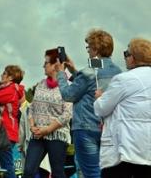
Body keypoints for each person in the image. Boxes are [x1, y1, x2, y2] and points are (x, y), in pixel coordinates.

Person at [55, 29, 122, 178]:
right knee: (107, 172)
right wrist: (74, 71)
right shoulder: (117, 71)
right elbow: (92, 81)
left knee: (91, 173)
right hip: (109, 128)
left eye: (89, 48)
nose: (88, 51)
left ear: (96, 49)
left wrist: (61, 73)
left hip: (86, 128)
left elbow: (68, 95)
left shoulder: (88, 71)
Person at [93, 38, 151, 177]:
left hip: (125, 149)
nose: (124, 57)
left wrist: (99, 97)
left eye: (126, 53)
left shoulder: (124, 79)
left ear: (133, 58)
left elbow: (101, 108)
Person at [21, 50, 73, 178]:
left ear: (55, 65)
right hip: (38, 135)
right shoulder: (41, 84)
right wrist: (32, 126)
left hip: (57, 135)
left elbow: (67, 114)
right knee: (28, 171)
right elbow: (32, 108)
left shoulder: (68, 86)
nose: (43, 66)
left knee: (57, 173)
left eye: (46, 63)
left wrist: (48, 129)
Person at [0, 65, 25, 178]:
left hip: (6, 131)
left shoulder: (10, 89)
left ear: (11, 77)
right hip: (8, 131)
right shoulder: (14, 89)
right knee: (5, 163)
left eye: (4, 73)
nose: (1, 75)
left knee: (7, 165)